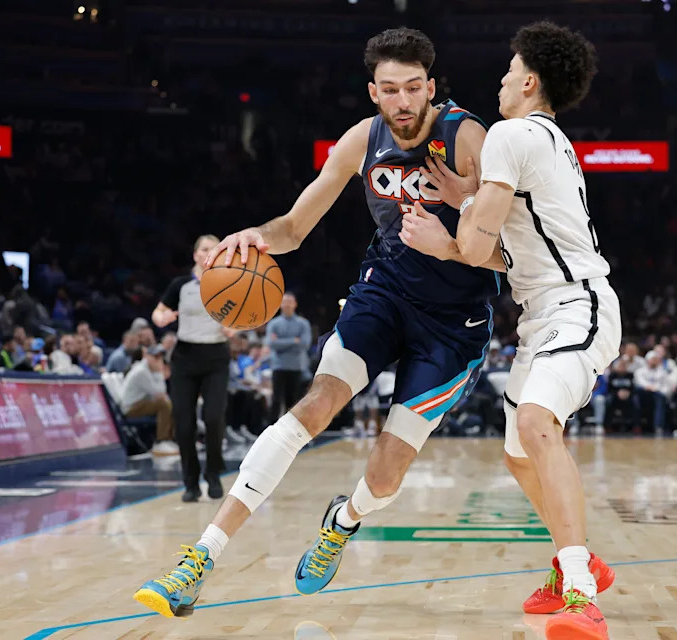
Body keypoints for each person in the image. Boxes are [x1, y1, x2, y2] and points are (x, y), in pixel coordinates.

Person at [133, 27, 502, 619]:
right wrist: (256, 235)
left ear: (432, 87)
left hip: (453, 325)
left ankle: (343, 521)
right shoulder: (361, 140)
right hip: (384, 295)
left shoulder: (469, 139)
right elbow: (293, 228)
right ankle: (199, 559)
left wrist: (453, 237)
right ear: (373, 93)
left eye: (413, 87)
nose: (403, 101)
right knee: (315, 406)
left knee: (385, 477)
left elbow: (509, 252)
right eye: (390, 90)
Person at [400, 21, 618, 638]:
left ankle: (580, 594)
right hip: (543, 312)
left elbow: (474, 249)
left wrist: (444, 239)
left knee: (536, 424)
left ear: (529, 82)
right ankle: (581, 562)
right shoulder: (544, 139)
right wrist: (468, 200)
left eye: (509, 70)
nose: (500, 80)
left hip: (576, 305)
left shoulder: (510, 133)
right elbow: (508, 255)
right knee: (519, 455)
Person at [151, 235, 232, 502]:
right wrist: (162, 318)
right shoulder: (181, 285)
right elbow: (158, 312)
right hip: (185, 357)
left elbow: (242, 318)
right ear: (196, 255)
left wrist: (234, 328)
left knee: (213, 418)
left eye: (214, 249)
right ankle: (190, 482)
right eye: (204, 249)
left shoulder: (230, 283)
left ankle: (213, 473)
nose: (209, 253)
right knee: (184, 423)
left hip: (216, 356)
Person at [122, 344, 177, 456]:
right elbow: (159, 392)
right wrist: (160, 372)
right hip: (131, 408)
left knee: (169, 403)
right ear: (147, 356)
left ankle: (171, 440)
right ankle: (161, 441)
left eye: (160, 357)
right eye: (155, 357)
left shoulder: (148, 369)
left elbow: (160, 393)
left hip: (141, 403)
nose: (158, 360)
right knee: (164, 405)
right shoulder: (141, 371)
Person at [265, 292, 311, 419]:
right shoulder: (274, 324)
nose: (287, 305)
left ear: (295, 304)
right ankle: (272, 428)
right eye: (285, 302)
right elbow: (271, 344)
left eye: (290, 302)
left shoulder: (303, 323)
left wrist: (281, 342)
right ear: (280, 304)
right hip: (278, 366)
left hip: (296, 367)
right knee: (276, 400)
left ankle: (293, 429)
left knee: (294, 402)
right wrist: (294, 340)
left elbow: (304, 344)